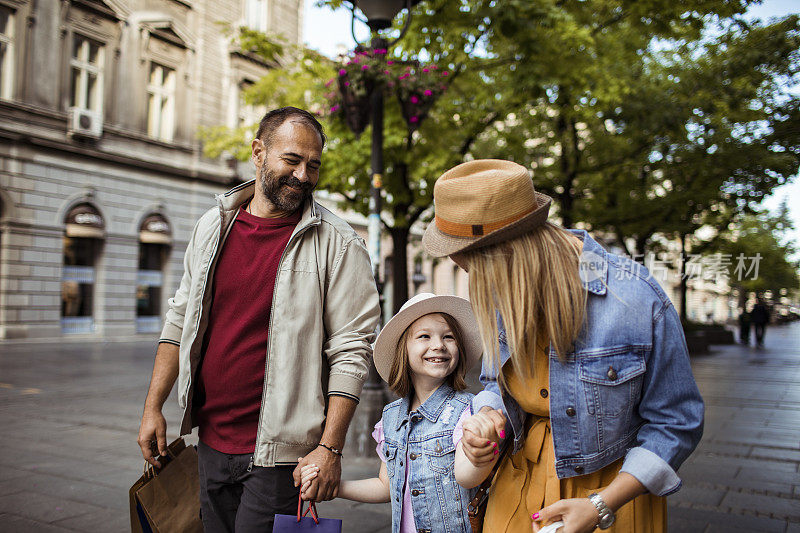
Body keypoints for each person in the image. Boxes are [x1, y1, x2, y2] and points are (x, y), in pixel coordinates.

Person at [423, 160, 704, 533]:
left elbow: (676, 423)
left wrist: (602, 504)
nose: (473, 280)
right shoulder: (503, 293)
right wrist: (491, 422)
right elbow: (497, 385)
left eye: (471, 267)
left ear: (504, 255)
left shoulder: (633, 297)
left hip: (612, 498)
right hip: (518, 487)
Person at [136, 106, 381, 532]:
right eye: (292, 160)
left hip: (282, 457)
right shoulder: (213, 226)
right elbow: (180, 320)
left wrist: (331, 448)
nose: (303, 175)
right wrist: (153, 407)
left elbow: (351, 352)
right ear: (258, 152)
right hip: (210, 440)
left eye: (314, 165)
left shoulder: (340, 244)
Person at [300, 293, 483, 533]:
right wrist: (332, 486)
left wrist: (483, 451)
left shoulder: (466, 411)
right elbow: (386, 486)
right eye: (424, 336)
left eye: (448, 337)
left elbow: (469, 476)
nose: (438, 345)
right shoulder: (392, 418)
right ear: (403, 351)